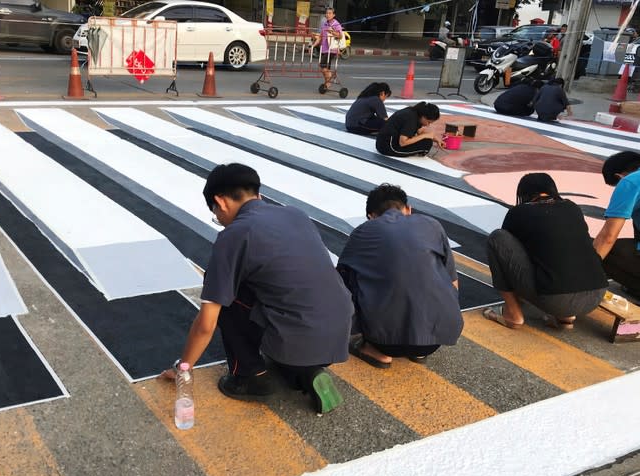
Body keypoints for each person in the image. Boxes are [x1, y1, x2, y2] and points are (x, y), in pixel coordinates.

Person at [161, 163, 353, 414]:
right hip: (340, 333)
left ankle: (251, 376)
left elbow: (207, 323)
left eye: (215, 214)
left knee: (222, 294)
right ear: (257, 194)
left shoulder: (234, 234)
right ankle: (304, 371)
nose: (219, 220)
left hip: (299, 334)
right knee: (277, 293)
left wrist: (183, 368)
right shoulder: (296, 214)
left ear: (220, 202)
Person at [337, 184, 462, 368]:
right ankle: (418, 350)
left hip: (385, 342)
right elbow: (453, 282)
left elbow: (340, 281)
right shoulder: (432, 225)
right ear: (408, 209)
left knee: (348, 275)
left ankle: (374, 350)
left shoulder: (363, 232)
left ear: (371, 216)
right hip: (436, 340)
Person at [483, 173, 608, 330]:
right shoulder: (572, 208)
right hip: (596, 295)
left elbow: (509, 253)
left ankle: (512, 314)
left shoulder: (520, 212)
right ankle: (565, 317)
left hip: (556, 299)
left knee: (497, 239)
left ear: (524, 194)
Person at [594, 151, 640, 296]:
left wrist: (586, 269)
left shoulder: (630, 182)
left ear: (619, 177)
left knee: (597, 252)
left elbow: (608, 237)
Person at [375, 101, 444, 157]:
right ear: (423, 116)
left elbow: (419, 130)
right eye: (428, 122)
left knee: (426, 139)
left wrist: (435, 138)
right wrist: (425, 136)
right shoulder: (411, 119)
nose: (428, 125)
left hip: (382, 142)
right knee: (426, 143)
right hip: (388, 147)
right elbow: (403, 143)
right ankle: (421, 152)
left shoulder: (413, 111)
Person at [312, 7, 343, 87]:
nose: (328, 15)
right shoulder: (325, 24)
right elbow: (320, 37)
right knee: (326, 67)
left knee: (322, 65)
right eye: (327, 13)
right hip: (324, 49)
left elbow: (340, 36)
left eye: (330, 13)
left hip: (332, 49)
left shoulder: (336, 24)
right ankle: (327, 82)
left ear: (333, 15)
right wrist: (313, 46)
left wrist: (332, 31)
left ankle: (328, 81)